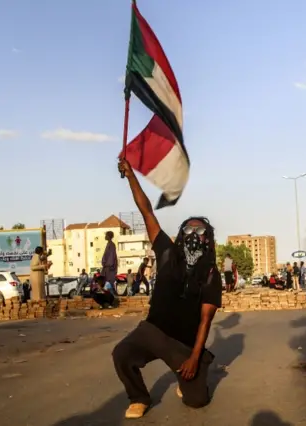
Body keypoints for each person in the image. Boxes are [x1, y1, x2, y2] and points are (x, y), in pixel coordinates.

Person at [113, 159, 222, 419]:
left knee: (197, 402)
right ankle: (139, 398)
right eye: (189, 228)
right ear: (181, 233)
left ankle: (193, 375)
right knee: (121, 354)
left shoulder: (209, 273)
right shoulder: (166, 252)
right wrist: (130, 176)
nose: (194, 233)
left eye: (200, 230)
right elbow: (147, 212)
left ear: (208, 238)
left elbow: (205, 320)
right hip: (153, 332)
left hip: (182, 345)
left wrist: (194, 357)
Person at [102, 231, 118, 295]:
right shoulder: (108, 244)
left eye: (106, 235)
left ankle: (113, 296)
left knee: (109, 282)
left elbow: (112, 256)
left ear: (109, 236)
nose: (105, 236)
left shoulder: (112, 244)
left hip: (109, 267)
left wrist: (107, 264)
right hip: (106, 267)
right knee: (107, 283)